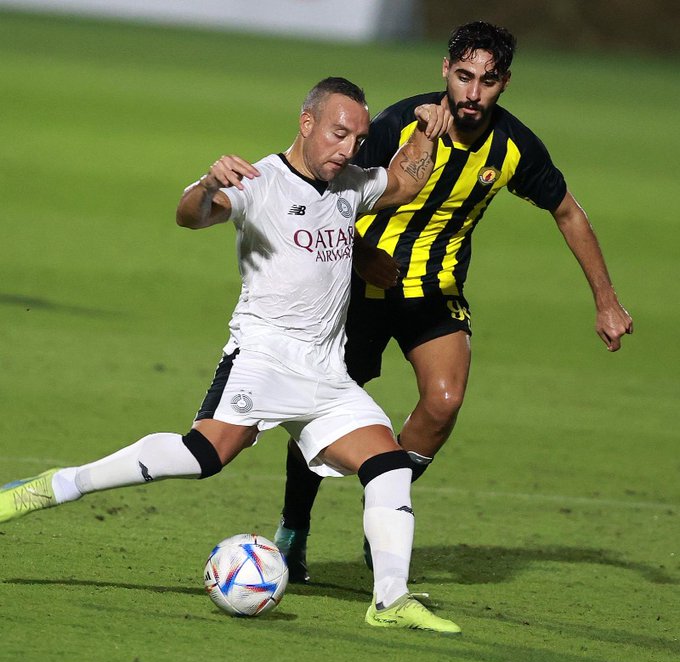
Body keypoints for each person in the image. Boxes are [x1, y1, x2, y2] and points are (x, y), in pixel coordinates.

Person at [0, 77, 463, 634]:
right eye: (339, 134)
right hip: (263, 358)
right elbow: (191, 215)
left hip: (325, 373)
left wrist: (427, 130)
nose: (348, 149)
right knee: (202, 455)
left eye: (358, 139)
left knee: (388, 465)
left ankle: (390, 601)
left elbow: (406, 182)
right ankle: (57, 485)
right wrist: (206, 184)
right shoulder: (261, 181)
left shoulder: (351, 185)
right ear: (307, 123)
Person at [274, 22, 634, 583]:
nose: (473, 92)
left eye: (487, 81)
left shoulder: (514, 147)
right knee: (322, 410)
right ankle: (294, 528)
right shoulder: (401, 123)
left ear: (504, 83)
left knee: (444, 402)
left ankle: (385, 507)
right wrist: (362, 253)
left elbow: (568, 211)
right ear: (445, 70)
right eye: (464, 76)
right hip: (359, 290)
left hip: (435, 292)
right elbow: (327, 192)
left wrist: (606, 301)